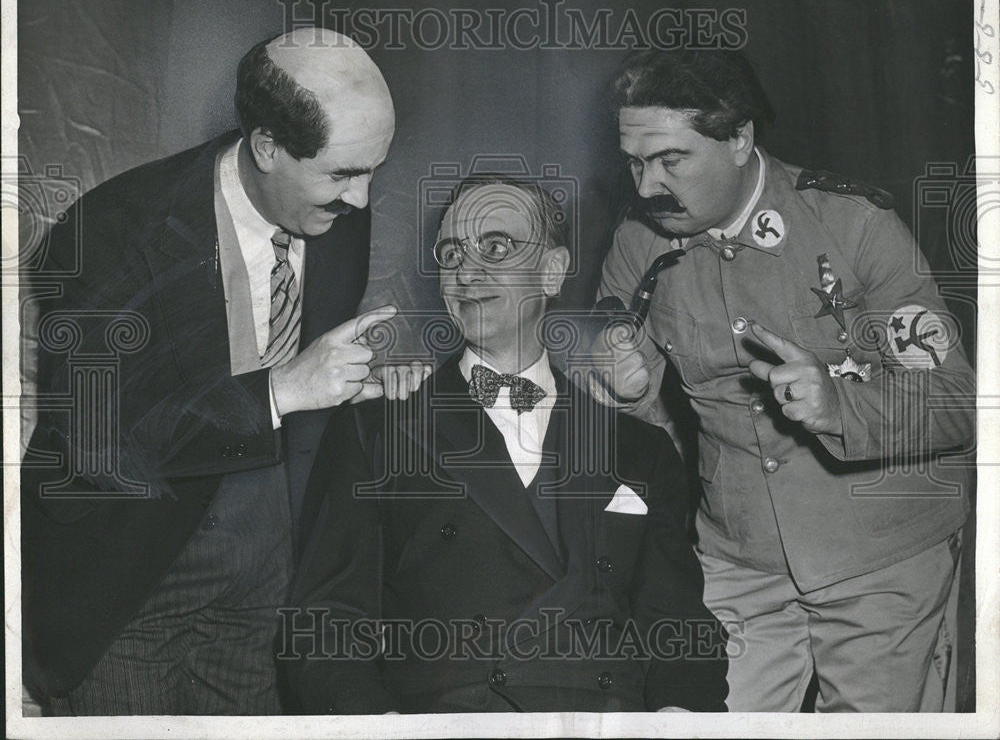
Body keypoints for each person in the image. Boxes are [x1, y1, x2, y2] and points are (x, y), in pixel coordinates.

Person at [21, 27, 429, 715]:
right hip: (131, 575)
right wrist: (280, 391)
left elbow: (294, 376)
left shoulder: (336, 214)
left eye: (371, 171)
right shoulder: (110, 233)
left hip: (267, 562)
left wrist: (353, 385)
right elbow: (96, 443)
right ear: (267, 144)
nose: (362, 200)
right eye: (342, 173)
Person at [593, 49, 974, 712]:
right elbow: (626, 419)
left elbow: (957, 403)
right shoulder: (638, 242)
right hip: (739, 555)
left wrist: (840, 405)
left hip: (881, 555)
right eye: (634, 161)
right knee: (695, 715)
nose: (647, 184)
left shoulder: (853, 223)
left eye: (671, 159)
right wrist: (620, 387)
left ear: (739, 138)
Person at [283, 176, 729, 714]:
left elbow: (681, 631)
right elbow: (323, 625)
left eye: (496, 247)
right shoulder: (376, 429)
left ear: (552, 270)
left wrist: (676, 723)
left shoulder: (640, 448)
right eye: (451, 254)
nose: (466, 273)